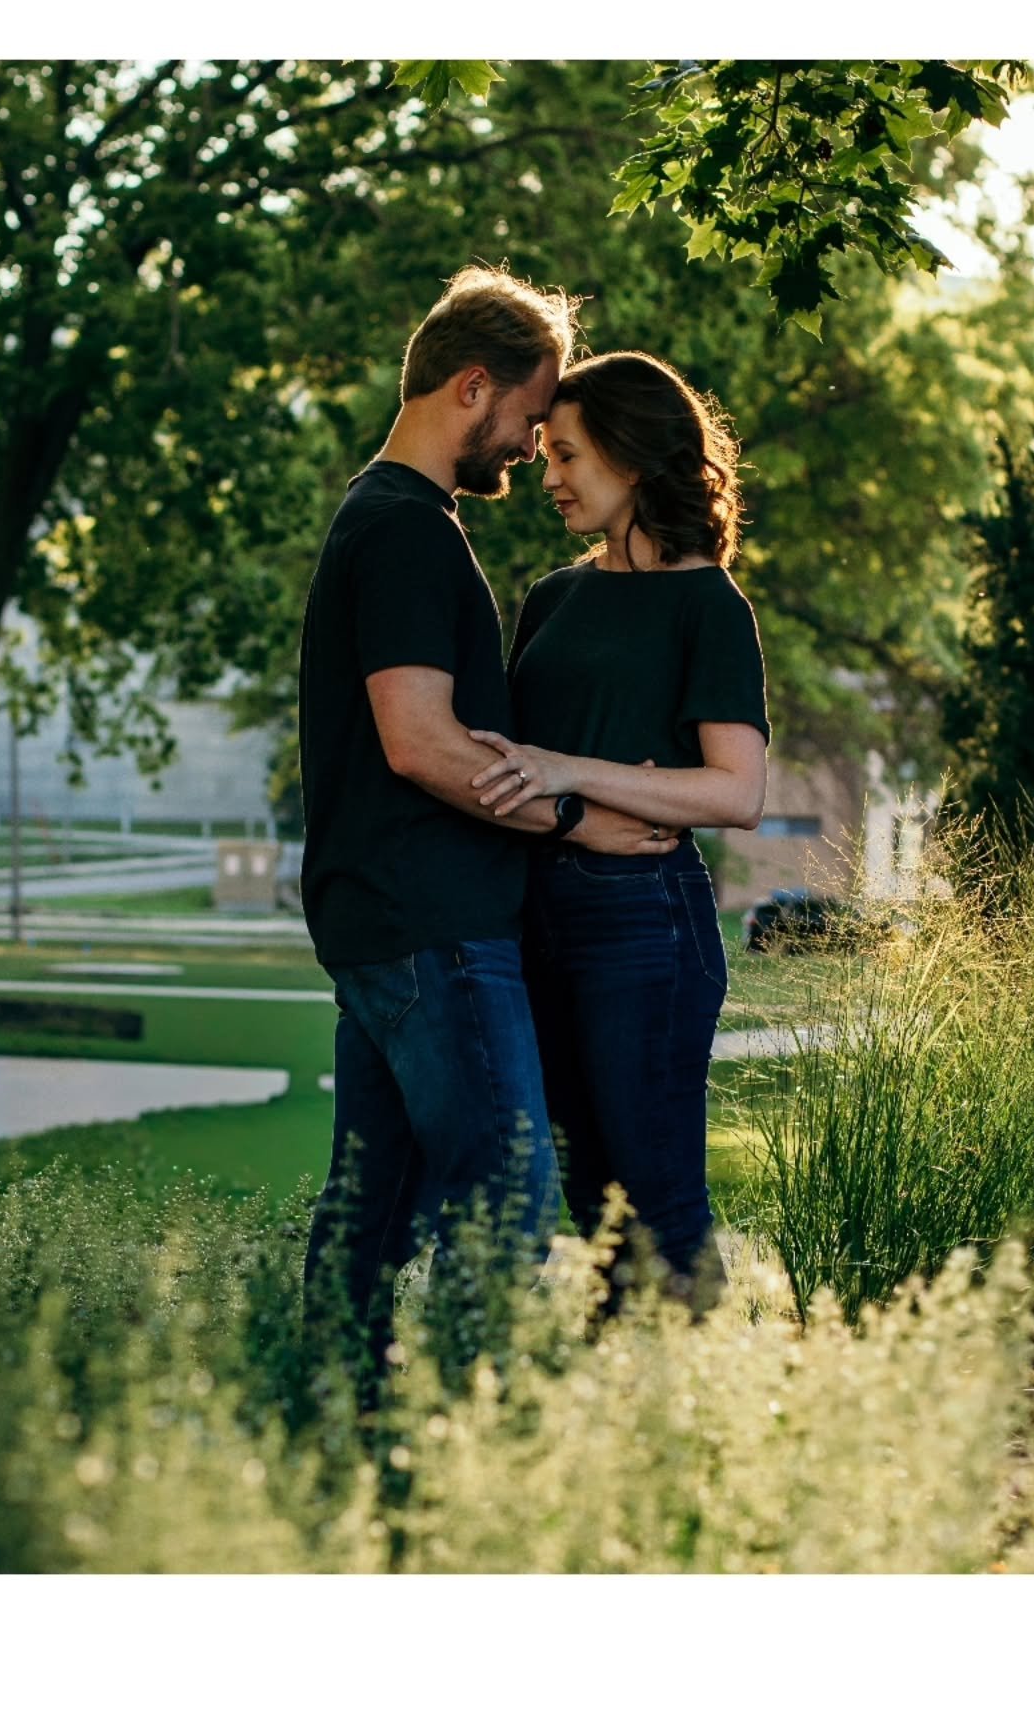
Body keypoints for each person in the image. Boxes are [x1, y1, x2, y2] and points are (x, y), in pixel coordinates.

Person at [298, 273, 682, 1398]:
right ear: (473, 388)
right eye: (526, 417)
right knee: (507, 1203)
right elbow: (418, 741)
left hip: (380, 925)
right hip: (439, 930)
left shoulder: (377, 517)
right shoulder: (411, 533)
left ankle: (329, 1417)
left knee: (367, 1214)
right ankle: (491, 1452)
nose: (528, 447)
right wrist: (580, 820)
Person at [467, 349, 769, 1311]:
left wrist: (572, 774)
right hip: (538, 919)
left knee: (660, 1201)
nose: (546, 476)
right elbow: (509, 768)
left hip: (647, 925)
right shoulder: (555, 596)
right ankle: (621, 1422)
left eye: (567, 456)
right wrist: (575, 807)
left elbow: (737, 792)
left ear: (633, 460)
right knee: (589, 1203)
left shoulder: (708, 606)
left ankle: (691, 1410)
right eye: (546, 453)